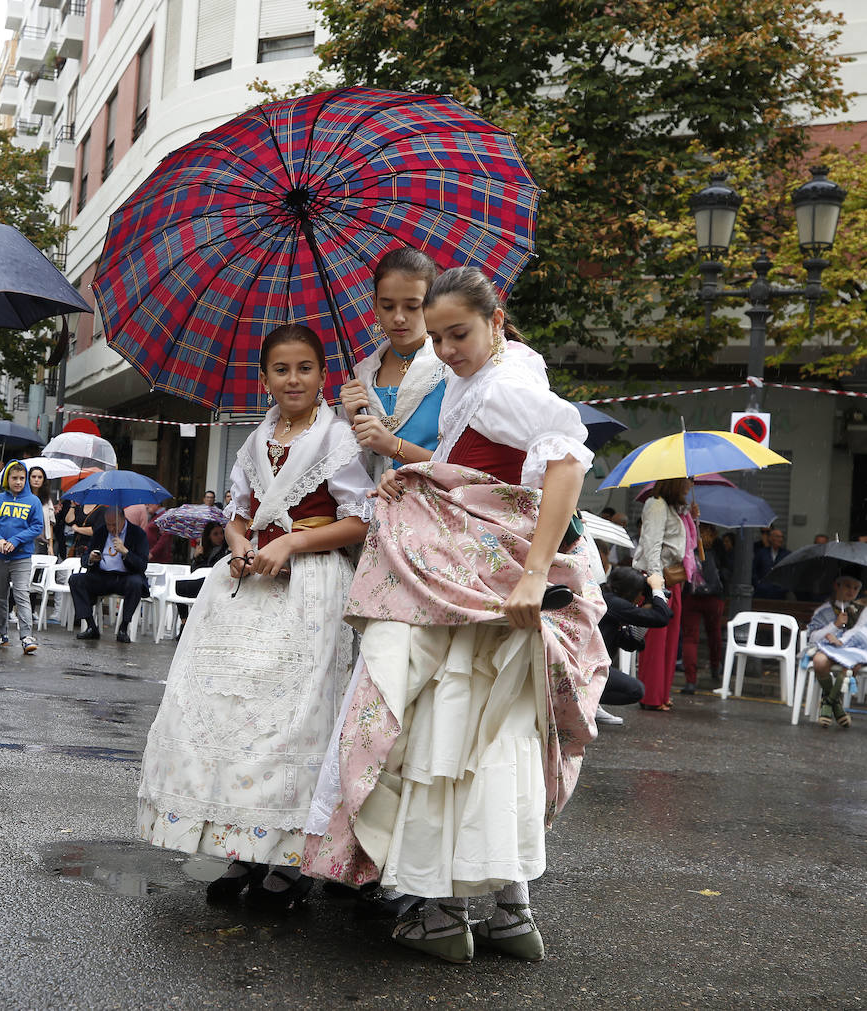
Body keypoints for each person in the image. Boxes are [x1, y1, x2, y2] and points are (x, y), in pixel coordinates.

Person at [303, 267, 607, 965]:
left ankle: (446, 912)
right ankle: (508, 910)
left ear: (497, 317)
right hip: (474, 583)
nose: (444, 348)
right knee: (492, 738)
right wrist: (394, 450)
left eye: (457, 332)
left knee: (451, 735)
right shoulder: (487, 376)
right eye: (436, 337)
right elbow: (463, 466)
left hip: (484, 589)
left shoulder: (506, 384)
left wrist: (532, 574)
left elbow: (564, 457)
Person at [137, 323, 374, 909]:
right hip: (248, 588)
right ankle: (241, 849)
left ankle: (291, 863)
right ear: (263, 377)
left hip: (310, 586)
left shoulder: (338, 438)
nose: (293, 380)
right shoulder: (253, 440)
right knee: (235, 712)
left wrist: (291, 545)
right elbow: (238, 515)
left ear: (323, 374)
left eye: (305, 369)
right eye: (281, 370)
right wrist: (240, 543)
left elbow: (362, 519)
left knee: (295, 718)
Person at [339, 247, 445, 477]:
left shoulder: (450, 369)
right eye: (388, 306)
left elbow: (464, 466)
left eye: (412, 306)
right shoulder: (360, 376)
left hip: (438, 505)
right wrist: (347, 423)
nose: (398, 317)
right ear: (375, 304)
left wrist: (395, 447)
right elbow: (348, 472)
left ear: (432, 302)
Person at [633, 478, 693, 710]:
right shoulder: (656, 505)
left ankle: (661, 693)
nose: (691, 485)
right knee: (657, 640)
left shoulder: (673, 509)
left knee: (669, 640)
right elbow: (652, 544)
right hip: (658, 579)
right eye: (688, 480)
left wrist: (691, 518)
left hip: (671, 579)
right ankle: (651, 696)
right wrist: (656, 583)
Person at [596, 566, 674, 726]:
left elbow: (630, 643)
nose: (640, 597)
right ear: (630, 591)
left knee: (635, 689)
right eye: (640, 593)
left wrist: (646, 610)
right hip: (587, 668)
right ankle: (585, 701)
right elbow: (662, 617)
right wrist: (657, 591)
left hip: (591, 666)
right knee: (635, 690)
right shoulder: (612, 602)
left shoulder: (608, 599)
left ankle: (588, 703)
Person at [0, 460, 44, 653]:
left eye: (22, 478)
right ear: (7, 478)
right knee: (0, 596)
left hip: (22, 557)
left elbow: (37, 526)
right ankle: (1, 635)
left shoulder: (33, 501)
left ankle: (26, 637)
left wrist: (16, 540)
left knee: (21, 595)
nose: (18, 482)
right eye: (14, 478)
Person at [70, 507, 151, 643]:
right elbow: (84, 560)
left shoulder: (138, 534)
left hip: (125, 577)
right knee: (76, 580)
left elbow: (142, 565)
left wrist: (126, 552)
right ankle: (91, 626)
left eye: (115, 525)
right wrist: (91, 558)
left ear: (123, 519)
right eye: (108, 524)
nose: (111, 528)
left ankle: (123, 628)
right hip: (102, 576)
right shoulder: (101, 531)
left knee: (136, 583)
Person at [804, 573, 864, 729]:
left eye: (856, 588)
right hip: (827, 649)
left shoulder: (860, 611)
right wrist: (835, 625)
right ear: (837, 586)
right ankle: (836, 706)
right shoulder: (824, 610)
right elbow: (813, 637)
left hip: (851, 651)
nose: (851, 591)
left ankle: (828, 703)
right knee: (819, 661)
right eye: (847, 586)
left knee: (853, 664)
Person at [680, 523, 726, 693]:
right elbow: (726, 572)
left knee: (690, 638)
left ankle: (690, 681)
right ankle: (715, 668)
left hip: (692, 597)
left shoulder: (689, 546)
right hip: (714, 598)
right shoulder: (719, 549)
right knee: (714, 635)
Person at [752, 527, 790, 599]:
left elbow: (789, 572)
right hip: (762, 591)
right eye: (778, 537)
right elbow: (753, 570)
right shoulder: (761, 552)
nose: (780, 539)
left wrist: (785, 588)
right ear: (770, 538)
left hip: (780, 592)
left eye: (782, 537)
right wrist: (757, 584)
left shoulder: (786, 554)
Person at [27, 464, 55, 556]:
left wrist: (50, 546)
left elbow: (50, 524)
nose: (36, 480)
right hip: (25, 540)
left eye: (40, 477)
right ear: (29, 478)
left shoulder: (47, 500)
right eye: (33, 476)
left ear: (43, 480)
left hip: (41, 542)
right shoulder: (23, 498)